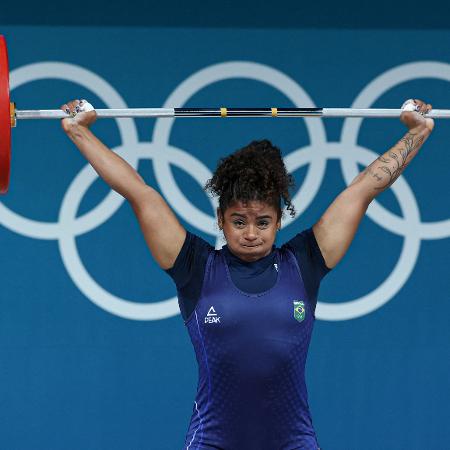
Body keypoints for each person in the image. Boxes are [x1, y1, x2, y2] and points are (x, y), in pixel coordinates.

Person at [61, 98, 434, 450]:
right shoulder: (195, 267)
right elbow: (138, 192)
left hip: (293, 441)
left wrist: (417, 132)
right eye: (238, 221)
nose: (251, 233)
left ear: (279, 221)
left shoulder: (304, 262)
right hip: (213, 440)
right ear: (221, 221)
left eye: (263, 222)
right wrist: (80, 131)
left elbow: (363, 190)